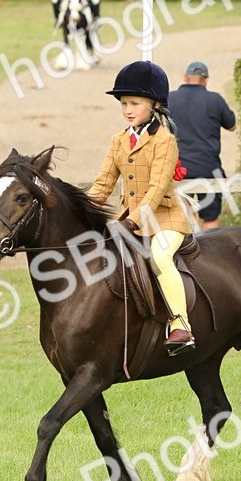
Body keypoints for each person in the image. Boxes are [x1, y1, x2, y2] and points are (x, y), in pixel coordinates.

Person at [89, 61, 194, 355]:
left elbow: (156, 190)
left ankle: (180, 325)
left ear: (155, 104)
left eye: (134, 103)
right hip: (130, 220)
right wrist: (85, 213)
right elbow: (102, 185)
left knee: (160, 257)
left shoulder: (165, 141)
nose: (127, 110)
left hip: (165, 219)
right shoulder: (118, 140)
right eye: (123, 104)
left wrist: (132, 222)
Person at [166, 61, 236, 230]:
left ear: (185, 77)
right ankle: (209, 254)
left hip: (179, 170)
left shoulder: (169, 99)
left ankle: (183, 255)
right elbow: (232, 126)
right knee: (210, 218)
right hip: (208, 168)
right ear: (206, 80)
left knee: (182, 218)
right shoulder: (215, 99)